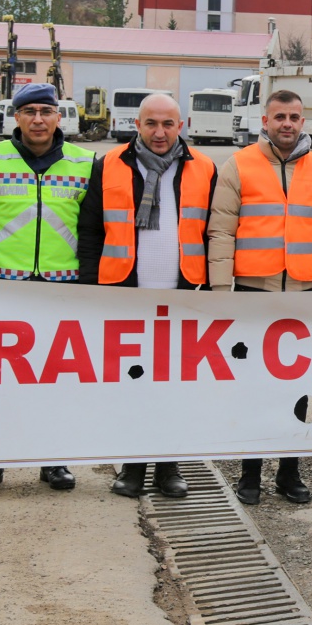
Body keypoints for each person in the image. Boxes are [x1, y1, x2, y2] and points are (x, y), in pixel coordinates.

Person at [208, 89, 312, 505]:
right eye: (279, 116)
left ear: (304, 122)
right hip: (254, 292)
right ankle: (250, 475)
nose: (287, 123)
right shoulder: (239, 164)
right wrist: (220, 292)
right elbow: (221, 230)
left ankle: (289, 472)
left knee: (299, 390)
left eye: (294, 117)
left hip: (304, 293)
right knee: (255, 388)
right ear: (264, 121)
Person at [78, 93, 217, 499]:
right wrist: (91, 287)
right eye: (151, 123)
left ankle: (169, 465)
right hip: (126, 291)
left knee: (175, 386)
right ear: (136, 125)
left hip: (184, 292)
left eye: (168, 124)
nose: (160, 132)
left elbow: (213, 231)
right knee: (133, 385)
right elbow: (90, 230)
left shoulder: (204, 167)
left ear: (182, 125)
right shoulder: (108, 165)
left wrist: (208, 289)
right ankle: (134, 466)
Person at [0, 82, 95, 492]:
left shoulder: (87, 163)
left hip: (62, 287)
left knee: (56, 381)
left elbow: (95, 231)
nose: (38, 119)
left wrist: (91, 284)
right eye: (29, 111)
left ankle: (52, 460)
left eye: (45, 111)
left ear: (59, 117)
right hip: (1, 285)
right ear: (15, 117)